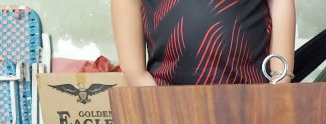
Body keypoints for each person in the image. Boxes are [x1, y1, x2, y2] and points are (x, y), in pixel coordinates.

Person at [111, 0, 296, 87]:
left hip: (253, 101)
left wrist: (280, 80)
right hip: (168, 104)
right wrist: (157, 106)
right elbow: (134, 71)